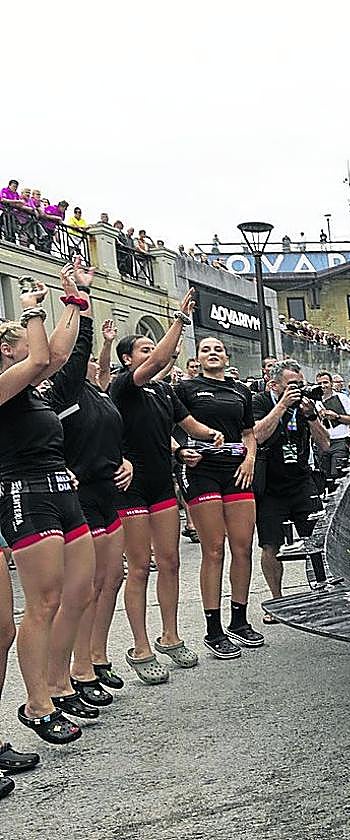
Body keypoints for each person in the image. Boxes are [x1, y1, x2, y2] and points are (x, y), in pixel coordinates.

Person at [1, 267, 95, 753]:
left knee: (78, 589)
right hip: (25, 491)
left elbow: (55, 354)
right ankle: (37, 703)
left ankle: (59, 682)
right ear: (6, 349)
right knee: (42, 602)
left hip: (60, 486)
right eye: (24, 337)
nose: (33, 342)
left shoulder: (32, 383)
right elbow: (42, 356)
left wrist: (74, 303)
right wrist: (32, 308)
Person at [110, 289, 211, 684]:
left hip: (161, 483)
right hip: (130, 486)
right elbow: (157, 361)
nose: (152, 353)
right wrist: (179, 321)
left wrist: (202, 441)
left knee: (170, 562)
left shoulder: (164, 391)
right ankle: (140, 647)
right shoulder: (124, 384)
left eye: (152, 347)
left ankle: (170, 636)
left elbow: (185, 426)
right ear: (127, 359)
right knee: (139, 567)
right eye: (144, 348)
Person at [43, 301, 132, 714]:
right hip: (79, 497)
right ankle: (76, 671)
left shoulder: (99, 393)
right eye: (87, 360)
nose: (93, 363)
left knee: (111, 579)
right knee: (85, 588)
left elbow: (111, 437)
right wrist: (82, 305)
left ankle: (96, 657)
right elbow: (78, 352)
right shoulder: (64, 391)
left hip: (109, 493)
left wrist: (126, 461)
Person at [174, 337, 259, 659]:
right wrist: (179, 451)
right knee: (213, 550)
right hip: (202, 472)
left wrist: (250, 460)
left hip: (237, 471)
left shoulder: (241, 390)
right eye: (206, 349)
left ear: (227, 357)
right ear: (197, 358)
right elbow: (165, 425)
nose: (212, 353)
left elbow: (248, 433)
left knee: (243, 547)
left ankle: (239, 621)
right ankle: (213, 630)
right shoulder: (185, 388)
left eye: (218, 349)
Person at [252, 361, 330, 614]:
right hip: (270, 485)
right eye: (292, 385)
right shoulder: (260, 402)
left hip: (301, 481)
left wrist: (311, 416)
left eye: (300, 385)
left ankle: (324, 593)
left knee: (317, 540)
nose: (297, 390)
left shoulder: (305, 405)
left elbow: (325, 443)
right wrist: (282, 405)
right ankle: (276, 600)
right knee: (270, 545)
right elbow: (257, 436)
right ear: (274, 385)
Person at [316, 371, 350, 490]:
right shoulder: (315, 401)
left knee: (337, 474)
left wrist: (337, 417)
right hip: (322, 442)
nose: (323, 386)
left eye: (325, 382)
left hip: (340, 441)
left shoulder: (342, 398)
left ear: (331, 383)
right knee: (324, 476)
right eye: (319, 383)